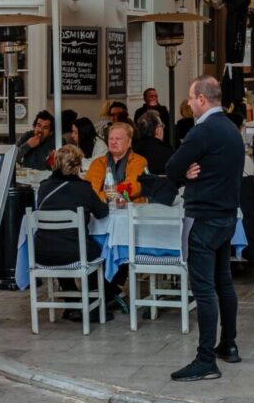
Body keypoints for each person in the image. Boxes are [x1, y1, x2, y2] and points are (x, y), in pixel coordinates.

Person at [161, 76, 243, 381]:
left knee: (204, 289)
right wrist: (190, 171)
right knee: (223, 282)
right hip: (226, 216)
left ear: (202, 100)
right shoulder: (232, 129)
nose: (189, 104)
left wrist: (185, 172)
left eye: (191, 98)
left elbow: (171, 168)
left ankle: (206, 358)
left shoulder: (202, 131)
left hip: (203, 215)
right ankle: (229, 344)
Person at [34, 142, 117, 307]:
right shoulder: (83, 189)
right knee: (101, 249)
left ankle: (71, 301)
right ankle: (95, 301)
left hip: (42, 252)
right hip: (75, 253)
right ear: (78, 166)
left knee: (59, 242)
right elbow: (102, 213)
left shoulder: (43, 188)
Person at [86, 121, 147, 204]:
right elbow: (89, 194)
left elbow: (132, 187)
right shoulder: (97, 163)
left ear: (129, 142)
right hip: (101, 213)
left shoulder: (139, 161)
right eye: (111, 139)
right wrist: (114, 193)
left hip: (132, 212)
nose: (113, 142)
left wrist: (106, 195)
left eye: (118, 139)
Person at [132, 110, 173, 175]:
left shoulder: (133, 149)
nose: (163, 128)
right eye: (162, 125)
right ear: (157, 130)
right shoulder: (166, 151)